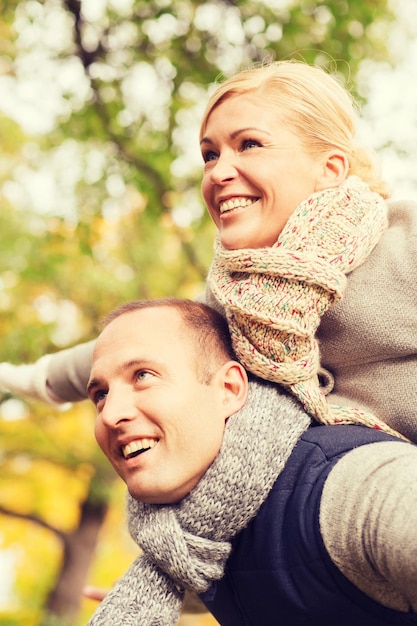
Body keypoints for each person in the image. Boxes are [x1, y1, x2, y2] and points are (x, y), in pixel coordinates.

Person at [1, 60, 417, 439]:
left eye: (250, 144)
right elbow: (126, 351)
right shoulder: (232, 299)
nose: (219, 172)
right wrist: (22, 378)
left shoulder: (405, 241)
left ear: (329, 169)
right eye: (209, 154)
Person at [84, 297, 417, 626]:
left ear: (228, 389)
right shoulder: (196, 540)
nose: (111, 414)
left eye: (143, 375)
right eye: (101, 395)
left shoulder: (354, 490)